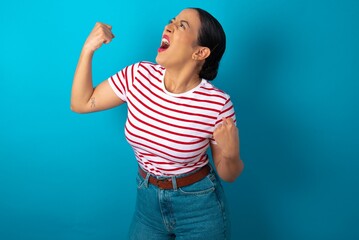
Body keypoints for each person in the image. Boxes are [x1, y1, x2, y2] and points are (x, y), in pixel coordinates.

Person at [71, 7, 244, 240]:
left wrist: (231, 154)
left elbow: (228, 174)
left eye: (182, 25)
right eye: (172, 21)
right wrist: (87, 49)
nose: (168, 26)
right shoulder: (138, 76)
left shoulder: (217, 104)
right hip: (147, 202)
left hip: (199, 209)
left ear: (200, 52)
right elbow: (81, 103)